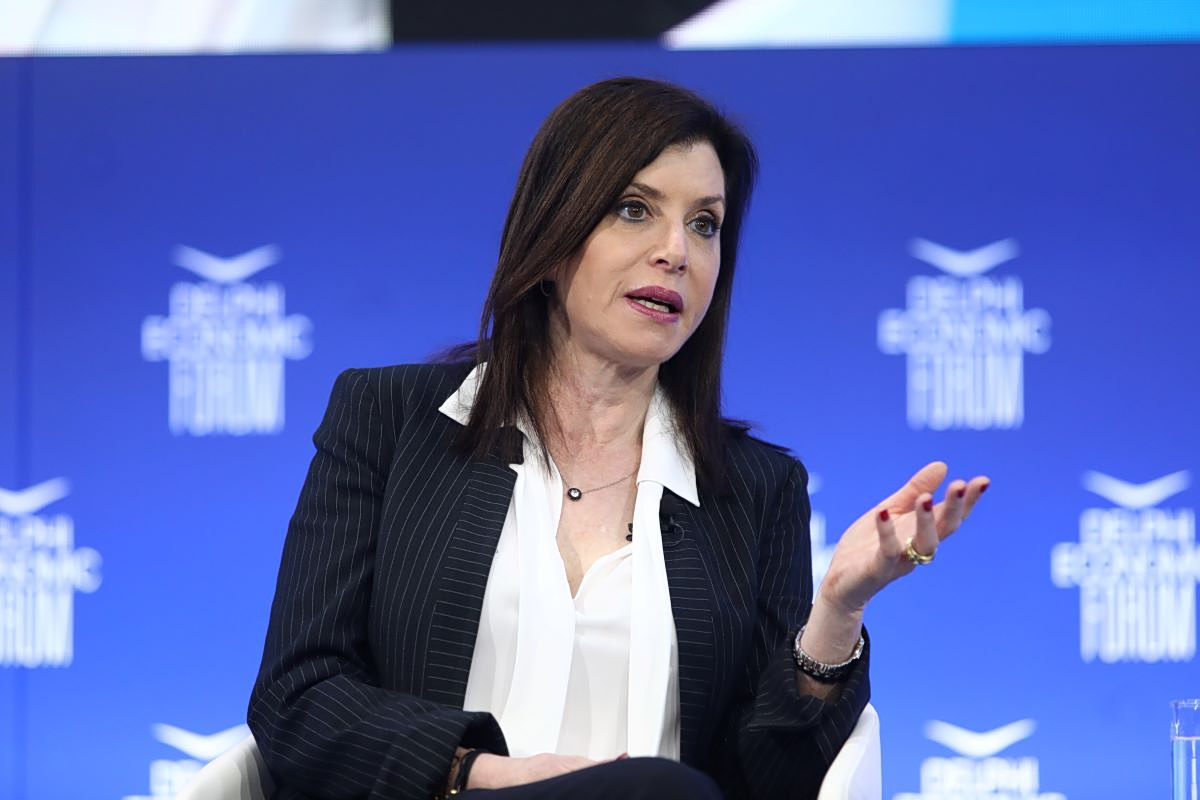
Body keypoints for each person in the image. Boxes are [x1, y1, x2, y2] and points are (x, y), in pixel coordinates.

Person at [247, 77, 988, 800]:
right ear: (552, 234)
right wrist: (483, 773)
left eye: (705, 224)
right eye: (635, 210)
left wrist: (836, 613)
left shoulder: (757, 490)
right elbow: (298, 695)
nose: (676, 251)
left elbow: (769, 782)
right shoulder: (390, 420)